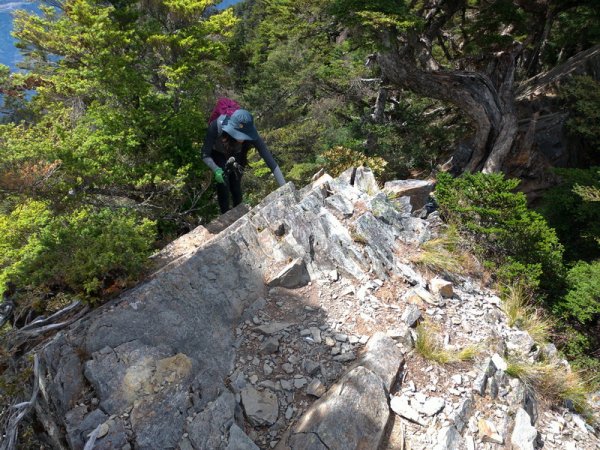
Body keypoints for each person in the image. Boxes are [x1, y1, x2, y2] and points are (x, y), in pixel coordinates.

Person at [201, 109, 286, 214]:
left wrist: (285, 188)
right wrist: (216, 169)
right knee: (223, 183)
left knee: (236, 183)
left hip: (237, 153)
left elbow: (270, 161)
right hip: (218, 153)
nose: (242, 138)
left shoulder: (250, 130)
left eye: (244, 136)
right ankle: (225, 214)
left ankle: (239, 213)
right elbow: (205, 154)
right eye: (239, 135)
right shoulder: (217, 126)